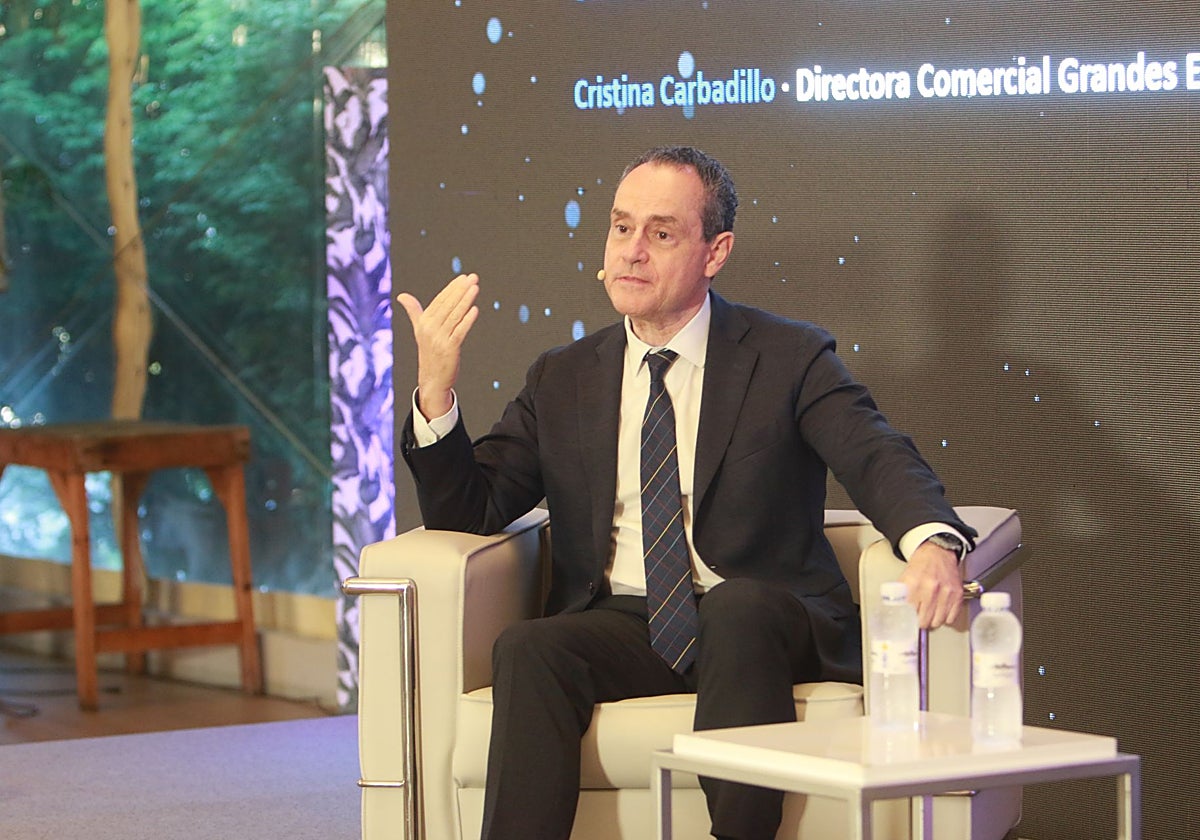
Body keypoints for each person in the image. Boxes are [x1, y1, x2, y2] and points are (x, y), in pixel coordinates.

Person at [397, 145, 975, 840]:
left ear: (715, 250)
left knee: (734, 609)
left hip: (763, 613)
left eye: (661, 234)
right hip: (625, 620)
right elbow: (471, 510)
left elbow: (877, 454)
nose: (632, 252)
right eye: (621, 228)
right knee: (530, 647)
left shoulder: (787, 356)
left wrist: (932, 541)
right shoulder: (564, 377)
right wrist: (435, 391)